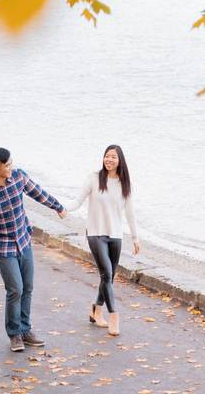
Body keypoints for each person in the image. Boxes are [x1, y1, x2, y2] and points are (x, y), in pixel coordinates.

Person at [0, 147, 68, 352]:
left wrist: (57, 206)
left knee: (28, 287)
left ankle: (26, 331)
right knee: (15, 289)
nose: (11, 168)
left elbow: (38, 193)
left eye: (11, 163)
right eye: (7, 165)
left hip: (24, 241)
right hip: (3, 247)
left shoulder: (18, 177)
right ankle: (14, 334)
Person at [66, 144, 140, 336]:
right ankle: (113, 316)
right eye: (107, 156)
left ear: (120, 160)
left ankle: (95, 310)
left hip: (115, 235)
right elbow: (78, 200)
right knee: (107, 273)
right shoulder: (94, 178)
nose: (109, 160)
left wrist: (135, 237)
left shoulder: (125, 184)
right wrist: (64, 209)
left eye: (113, 157)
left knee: (109, 276)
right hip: (96, 233)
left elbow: (130, 213)